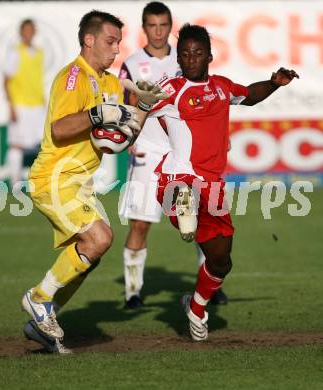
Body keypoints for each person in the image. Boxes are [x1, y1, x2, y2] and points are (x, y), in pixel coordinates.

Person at [20, 10, 165, 354]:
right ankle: (39, 299)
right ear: (89, 39)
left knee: (92, 252)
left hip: (78, 182)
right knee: (100, 238)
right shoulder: (73, 77)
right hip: (54, 178)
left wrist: (142, 107)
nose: (116, 50)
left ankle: (44, 317)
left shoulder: (112, 83)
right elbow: (60, 128)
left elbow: (119, 140)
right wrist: (97, 114)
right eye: (110, 41)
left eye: (118, 43)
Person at [143, 24, 299, 341]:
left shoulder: (222, 87)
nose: (190, 59)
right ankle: (183, 206)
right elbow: (139, 107)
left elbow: (250, 96)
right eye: (185, 54)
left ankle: (196, 308)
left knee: (221, 260)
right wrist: (127, 113)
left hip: (212, 186)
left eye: (197, 53)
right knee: (184, 194)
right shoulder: (171, 89)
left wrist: (274, 83)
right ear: (179, 57)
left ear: (209, 57)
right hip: (177, 176)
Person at [118, 2, 227, 309]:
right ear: (144, 28)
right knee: (140, 224)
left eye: (163, 25)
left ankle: (210, 288)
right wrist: (129, 135)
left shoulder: (185, 61)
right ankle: (133, 293)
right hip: (148, 151)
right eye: (152, 25)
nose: (158, 31)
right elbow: (128, 103)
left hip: (183, 152)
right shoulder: (133, 63)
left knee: (205, 217)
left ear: (169, 27)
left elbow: (209, 103)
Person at [3, 19, 46, 188]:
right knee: (17, 144)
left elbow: (36, 80)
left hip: (37, 106)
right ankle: (14, 183)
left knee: (41, 144)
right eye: (26, 30)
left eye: (31, 30)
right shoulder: (15, 53)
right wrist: (11, 107)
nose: (29, 33)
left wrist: (43, 102)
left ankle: (38, 181)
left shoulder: (39, 52)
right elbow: (6, 81)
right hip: (20, 105)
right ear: (21, 32)